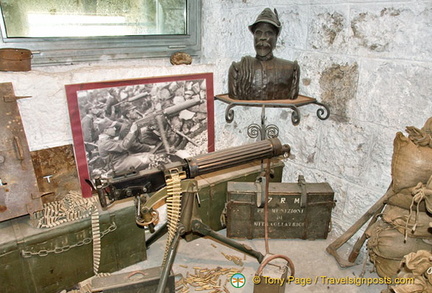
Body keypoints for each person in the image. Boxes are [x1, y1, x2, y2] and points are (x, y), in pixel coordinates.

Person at [228, 8, 300, 100]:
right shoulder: (238, 69)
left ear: (276, 38)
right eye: (258, 33)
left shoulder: (291, 69)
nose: (262, 38)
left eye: (269, 33)